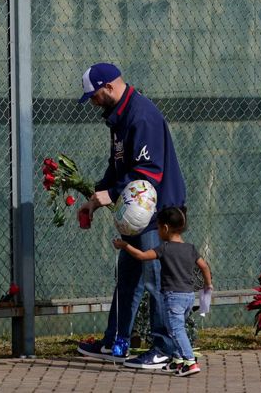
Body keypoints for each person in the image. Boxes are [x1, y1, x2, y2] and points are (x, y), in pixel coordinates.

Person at [74, 62, 186, 371]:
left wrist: (110, 195)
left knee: (154, 280)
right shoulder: (118, 117)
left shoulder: (142, 115)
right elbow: (118, 166)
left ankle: (164, 349)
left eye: (94, 96)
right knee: (127, 278)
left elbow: (149, 172)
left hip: (157, 211)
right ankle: (115, 342)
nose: (93, 103)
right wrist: (95, 195)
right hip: (135, 210)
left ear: (108, 87)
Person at [113, 207, 213, 377]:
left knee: (176, 329)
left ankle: (190, 361)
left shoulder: (164, 248)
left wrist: (125, 245)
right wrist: (207, 285)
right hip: (189, 296)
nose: (158, 231)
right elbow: (204, 266)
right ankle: (177, 359)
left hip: (173, 297)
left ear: (165, 228)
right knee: (173, 327)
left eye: (158, 227)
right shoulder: (190, 248)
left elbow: (142, 256)